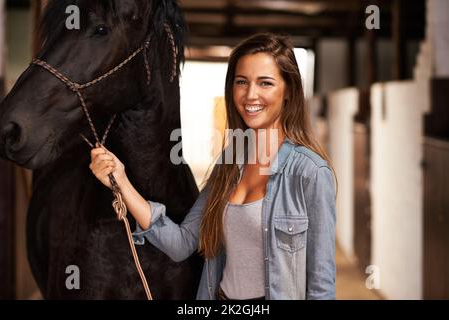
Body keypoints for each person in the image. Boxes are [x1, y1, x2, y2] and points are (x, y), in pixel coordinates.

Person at [90, 33, 336, 300]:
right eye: (242, 82)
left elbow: (321, 285)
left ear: (288, 91)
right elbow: (182, 243)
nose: (250, 94)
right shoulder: (230, 163)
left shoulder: (310, 172)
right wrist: (122, 181)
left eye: (265, 83)